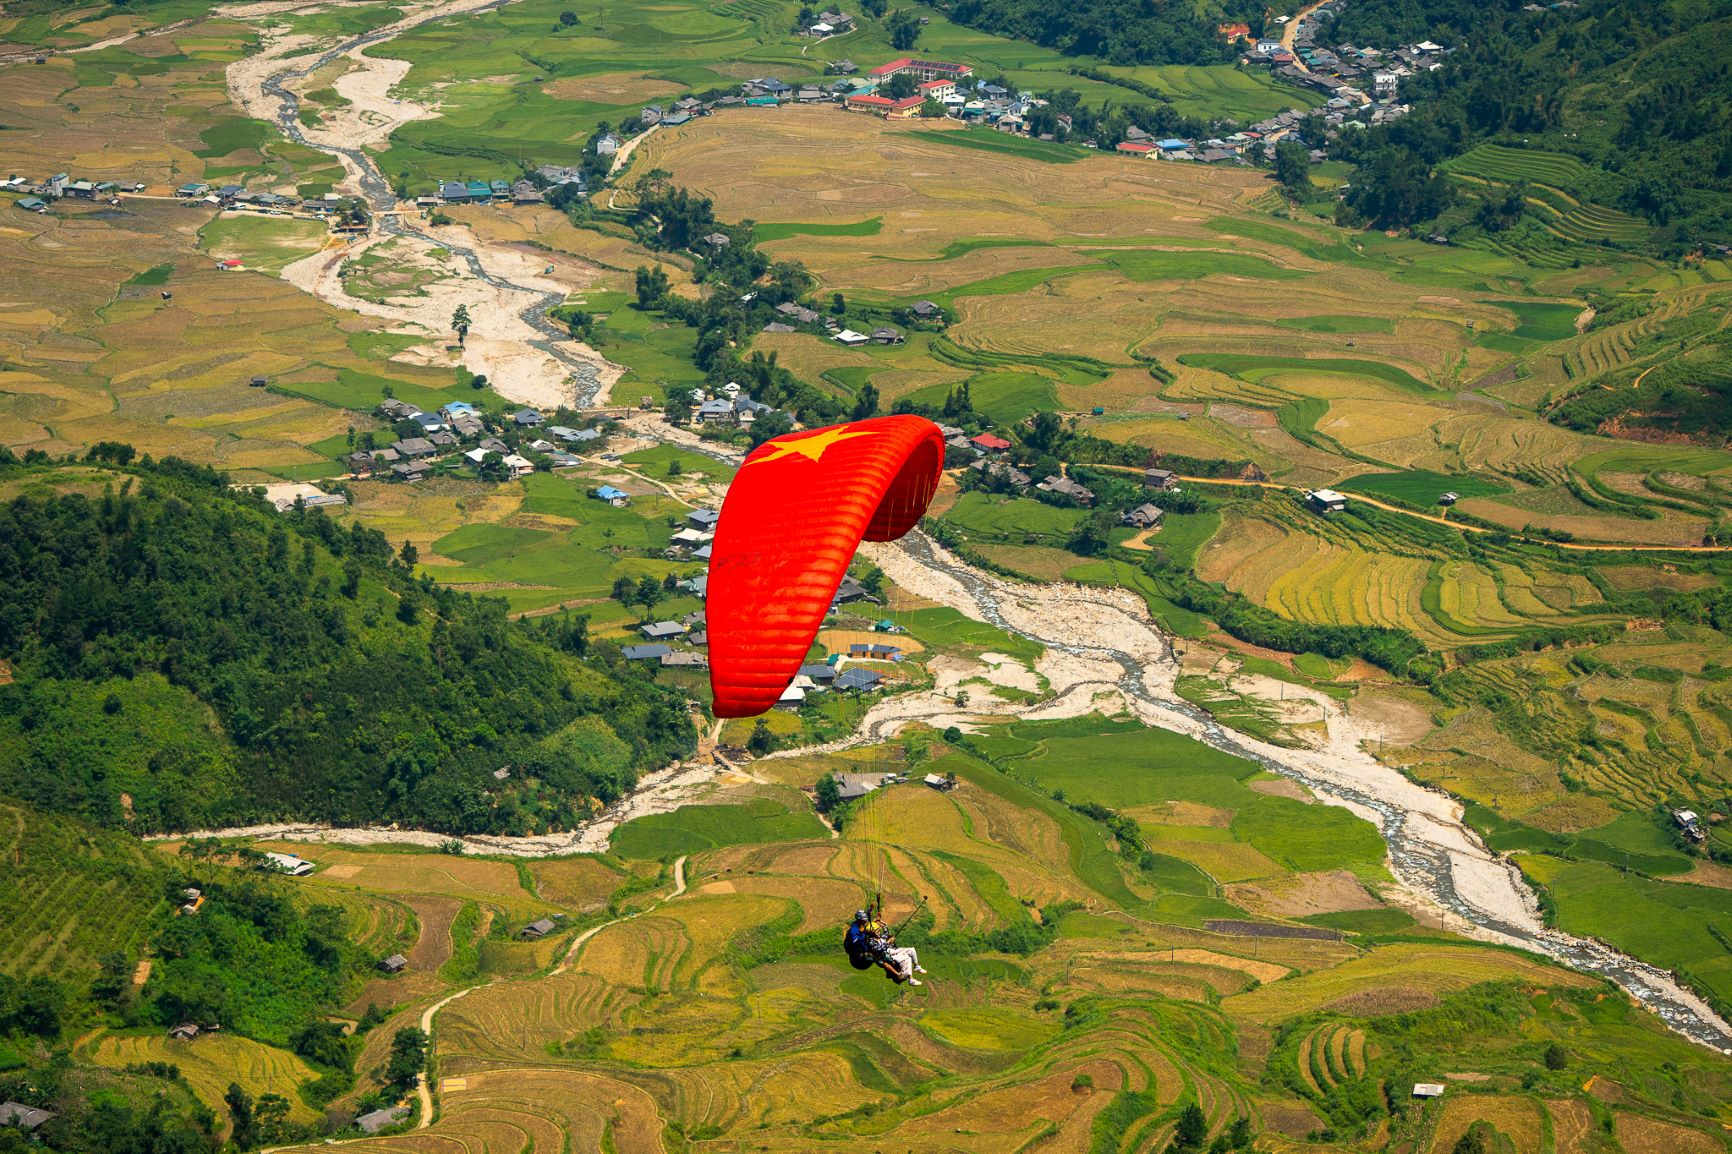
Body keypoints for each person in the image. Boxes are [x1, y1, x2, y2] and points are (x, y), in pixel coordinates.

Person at [845, 909, 926, 985]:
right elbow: (878, 949)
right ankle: (903, 976)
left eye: (878, 930)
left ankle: (917, 966)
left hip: (889, 950)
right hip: (879, 954)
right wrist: (887, 942)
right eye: (877, 931)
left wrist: (884, 925)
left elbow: (885, 934)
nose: (878, 932)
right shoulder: (871, 941)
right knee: (884, 960)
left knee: (911, 950)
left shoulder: (879, 937)